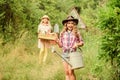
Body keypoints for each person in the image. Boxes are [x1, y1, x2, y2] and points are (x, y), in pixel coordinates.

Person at [55, 16, 84, 80]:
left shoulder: (76, 33)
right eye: (69, 23)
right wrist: (57, 41)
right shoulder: (62, 33)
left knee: (71, 72)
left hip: (72, 54)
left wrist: (77, 44)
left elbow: (82, 42)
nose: (70, 25)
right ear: (66, 24)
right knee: (67, 72)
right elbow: (61, 45)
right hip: (64, 54)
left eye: (72, 23)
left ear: (74, 24)